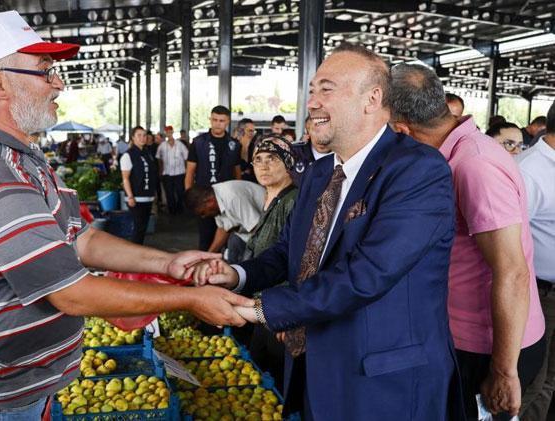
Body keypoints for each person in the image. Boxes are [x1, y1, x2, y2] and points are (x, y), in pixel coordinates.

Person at [0, 10, 253, 419]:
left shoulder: (22, 156)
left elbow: (79, 238)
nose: (59, 83)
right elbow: (71, 293)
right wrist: (190, 299)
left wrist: (168, 263)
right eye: (45, 71)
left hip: (17, 389)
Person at [194, 43, 464, 420]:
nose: (312, 103)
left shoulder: (418, 170)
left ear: (372, 99)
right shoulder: (321, 173)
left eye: (327, 89)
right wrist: (237, 274)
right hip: (314, 367)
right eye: (311, 91)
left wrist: (261, 309)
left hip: (382, 384)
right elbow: (290, 249)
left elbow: (367, 275)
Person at [389, 63, 545, 419]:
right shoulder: (453, 154)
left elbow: (512, 271)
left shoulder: (475, 165)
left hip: (488, 348)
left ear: (401, 129)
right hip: (464, 336)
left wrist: (504, 371)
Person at [244, 135, 299, 393]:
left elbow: (298, 259)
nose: (264, 166)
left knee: (273, 383)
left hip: (279, 311)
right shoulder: (270, 198)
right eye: (258, 160)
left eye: (272, 159)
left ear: (288, 164)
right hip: (262, 305)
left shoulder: (294, 201)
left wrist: (290, 314)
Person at [519, 102, 555, 420]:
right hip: (539, 295)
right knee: (531, 381)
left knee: (549, 382)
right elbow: (508, 245)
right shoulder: (528, 170)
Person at [185, 106, 242, 250]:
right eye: (215, 120)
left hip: (227, 199)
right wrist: (189, 196)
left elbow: (237, 172)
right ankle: (204, 263)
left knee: (227, 237)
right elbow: (190, 172)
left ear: (228, 121)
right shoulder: (198, 142)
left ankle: (223, 263)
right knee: (205, 237)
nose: (218, 123)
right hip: (205, 198)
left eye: (221, 120)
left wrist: (238, 196)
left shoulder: (234, 144)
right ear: (210, 120)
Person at [185, 180, 265, 259]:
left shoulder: (233, 197)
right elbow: (223, 229)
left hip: (263, 232)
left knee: (246, 262)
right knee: (233, 250)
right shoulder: (214, 198)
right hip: (246, 233)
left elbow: (259, 230)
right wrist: (208, 255)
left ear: (210, 201)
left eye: (203, 213)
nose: (203, 216)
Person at [120, 126, 157, 244]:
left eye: (144, 135)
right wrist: (130, 196)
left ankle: (139, 249)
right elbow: (125, 178)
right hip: (135, 198)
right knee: (138, 227)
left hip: (148, 197)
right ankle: (134, 251)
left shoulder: (148, 153)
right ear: (133, 138)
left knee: (143, 228)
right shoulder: (128, 155)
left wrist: (154, 193)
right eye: (139, 135)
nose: (142, 138)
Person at [290, 115, 332, 186]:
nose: (321, 138)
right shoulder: (293, 152)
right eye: (317, 131)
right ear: (308, 132)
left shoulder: (344, 156)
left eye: (327, 132)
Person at [156, 124, 188, 215]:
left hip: (180, 173)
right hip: (167, 173)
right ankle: (172, 211)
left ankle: (180, 210)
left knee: (180, 192)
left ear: (172, 132)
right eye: (167, 132)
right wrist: (160, 170)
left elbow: (186, 157)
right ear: (166, 133)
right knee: (169, 193)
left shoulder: (180, 145)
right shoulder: (162, 146)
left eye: (170, 132)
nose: (169, 134)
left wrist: (187, 170)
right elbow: (158, 158)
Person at [236, 118, 258, 183]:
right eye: (250, 131)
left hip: (252, 184)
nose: (252, 134)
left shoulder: (254, 148)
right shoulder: (233, 147)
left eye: (254, 131)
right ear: (241, 131)